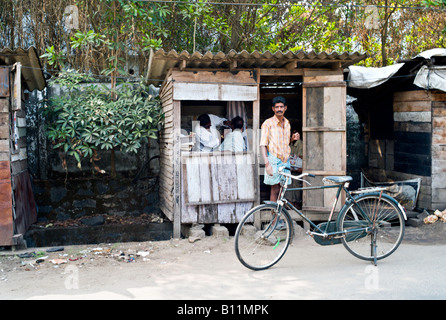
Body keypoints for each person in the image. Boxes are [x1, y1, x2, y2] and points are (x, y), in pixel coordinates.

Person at [260, 96, 291, 202]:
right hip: (273, 159)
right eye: (277, 107)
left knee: (283, 189)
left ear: (285, 108)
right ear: (273, 109)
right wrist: (267, 164)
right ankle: (274, 218)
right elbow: (263, 145)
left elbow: (285, 143)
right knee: (274, 189)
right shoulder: (267, 123)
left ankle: (280, 217)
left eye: (281, 107)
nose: (279, 109)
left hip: (285, 160)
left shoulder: (287, 123)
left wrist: (292, 139)